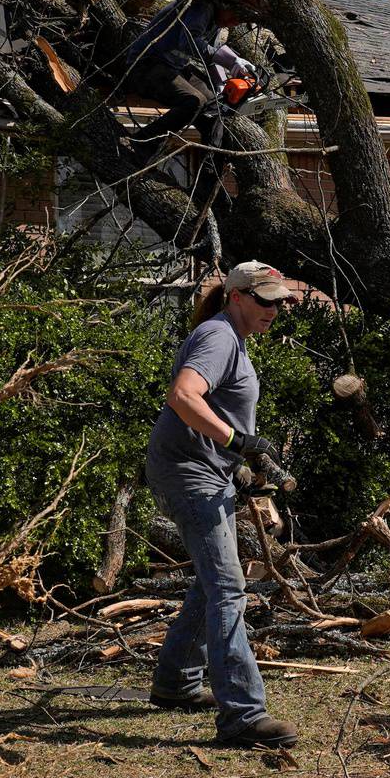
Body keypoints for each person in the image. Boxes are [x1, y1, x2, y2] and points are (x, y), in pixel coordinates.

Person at [145, 260, 298, 749]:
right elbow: (183, 396)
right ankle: (242, 716)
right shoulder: (218, 336)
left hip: (206, 471)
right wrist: (238, 442)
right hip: (188, 475)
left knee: (215, 582)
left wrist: (240, 465)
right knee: (229, 588)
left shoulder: (233, 337)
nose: (275, 308)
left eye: (279, 300)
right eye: (265, 299)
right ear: (237, 296)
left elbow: (212, 415)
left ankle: (176, 681)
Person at [123, 0, 255, 146]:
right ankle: (140, 143)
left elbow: (211, 56)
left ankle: (210, 163)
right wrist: (230, 61)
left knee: (215, 106)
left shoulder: (216, 22)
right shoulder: (202, 6)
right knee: (194, 101)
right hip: (147, 65)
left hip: (175, 68)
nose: (234, 22)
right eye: (236, 15)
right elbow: (188, 41)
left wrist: (221, 84)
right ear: (224, 4)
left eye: (240, 20)